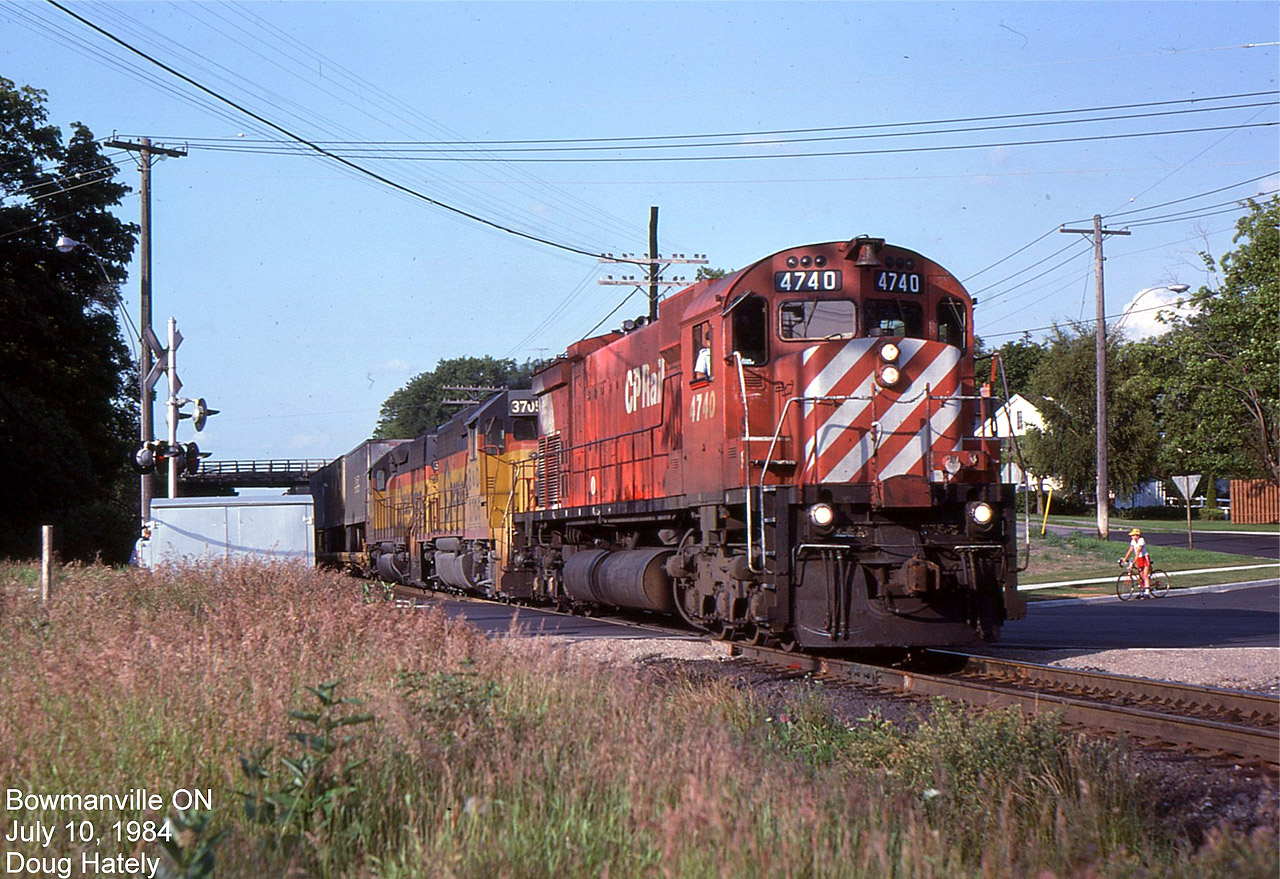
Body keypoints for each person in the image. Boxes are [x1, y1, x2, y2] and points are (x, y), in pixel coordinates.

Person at [1119, 527, 1152, 597]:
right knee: (1140, 575)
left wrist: (1133, 561)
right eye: (1131, 535)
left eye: (1133, 535)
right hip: (1139, 558)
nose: (1132, 536)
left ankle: (1147, 591)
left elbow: (1138, 551)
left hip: (1144, 557)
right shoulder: (1133, 541)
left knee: (1145, 575)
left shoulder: (1141, 540)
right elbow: (1130, 550)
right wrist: (1125, 558)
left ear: (1137, 535)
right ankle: (1142, 590)